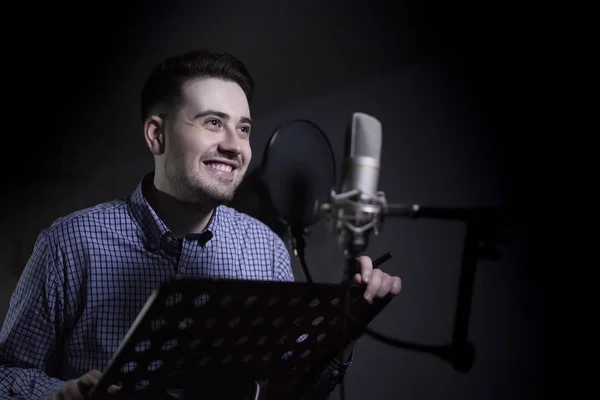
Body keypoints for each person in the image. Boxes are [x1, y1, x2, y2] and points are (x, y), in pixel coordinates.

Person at [0, 49, 402, 400]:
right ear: (157, 135)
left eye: (243, 128)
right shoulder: (70, 243)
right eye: (213, 122)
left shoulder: (265, 249)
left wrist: (342, 330)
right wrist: (63, 396)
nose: (234, 144)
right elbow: (6, 375)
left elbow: (290, 390)